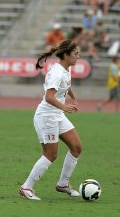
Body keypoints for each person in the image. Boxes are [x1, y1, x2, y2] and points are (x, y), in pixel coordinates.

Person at [19, 40, 82, 200]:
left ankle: (62, 184)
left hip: (57, 115)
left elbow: (66, 86)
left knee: (76, 147)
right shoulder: (57, 72)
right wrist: (64, 107)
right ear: (66, 54)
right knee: (51, 154)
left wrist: (73, 98)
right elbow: (49, 97)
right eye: (75, 54)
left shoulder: (65, 69)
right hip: (46, 116)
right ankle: (26, 187)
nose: (78, 57)